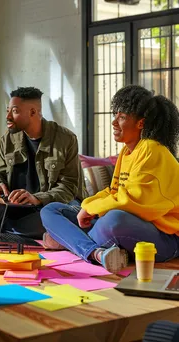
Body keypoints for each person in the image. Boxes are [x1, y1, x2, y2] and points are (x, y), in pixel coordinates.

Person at [41, 85, 179, 273]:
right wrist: (86, 206)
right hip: (135, 227)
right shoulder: (127, 151)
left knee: (115, 219)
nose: (114, 122)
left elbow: (133, 200)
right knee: (51, 210)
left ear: (141, 123)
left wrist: (92, 209)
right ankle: (96, 253)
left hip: (165, 239)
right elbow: (114, 192)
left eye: (122, 117)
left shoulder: (152, 149)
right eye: (115, 115)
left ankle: (69, 241)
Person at [0, 86, 87, 238]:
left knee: (58, 215)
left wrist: (37, 198)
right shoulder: (7, 140)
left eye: (14, 111)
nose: (8, 116)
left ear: (32, 112)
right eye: (8, 110)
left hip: (55, 204)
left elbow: (68, 188)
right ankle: (45, 233)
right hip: (20, 207)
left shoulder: (65, 139)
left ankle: (13, 229)